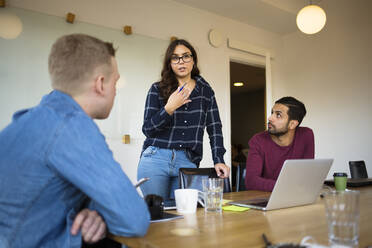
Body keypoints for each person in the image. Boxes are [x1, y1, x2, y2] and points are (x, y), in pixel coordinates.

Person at [0, 34, 150, 248]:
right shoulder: (71, 126)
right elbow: (135, 219)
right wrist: (106, 215)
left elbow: (52, 195)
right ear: (100, 83)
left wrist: (95, 213)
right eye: (115, 82)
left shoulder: (33, 118)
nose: (115, 90)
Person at [137, 39, 230, 205]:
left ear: (193, 60)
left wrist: (219, 159)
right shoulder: (157, 89)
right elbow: (148, 129)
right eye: (175, 58)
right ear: (170, 63)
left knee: (185, 216)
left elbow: (214, 127)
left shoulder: (205, 92)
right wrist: (169, 108)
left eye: (186, 56)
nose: (181, 61)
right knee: (157, 216)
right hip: (155, 158)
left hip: (187, 161)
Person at [245, 96, 314, 191]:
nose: (270, 118)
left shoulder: (306, 135)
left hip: (295, 196)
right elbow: (251, 181)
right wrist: (288, 187)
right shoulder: (258, 140)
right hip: (266, 198)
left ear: (292, 124)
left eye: (278, 115)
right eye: (272, 113)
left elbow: (307, 175)